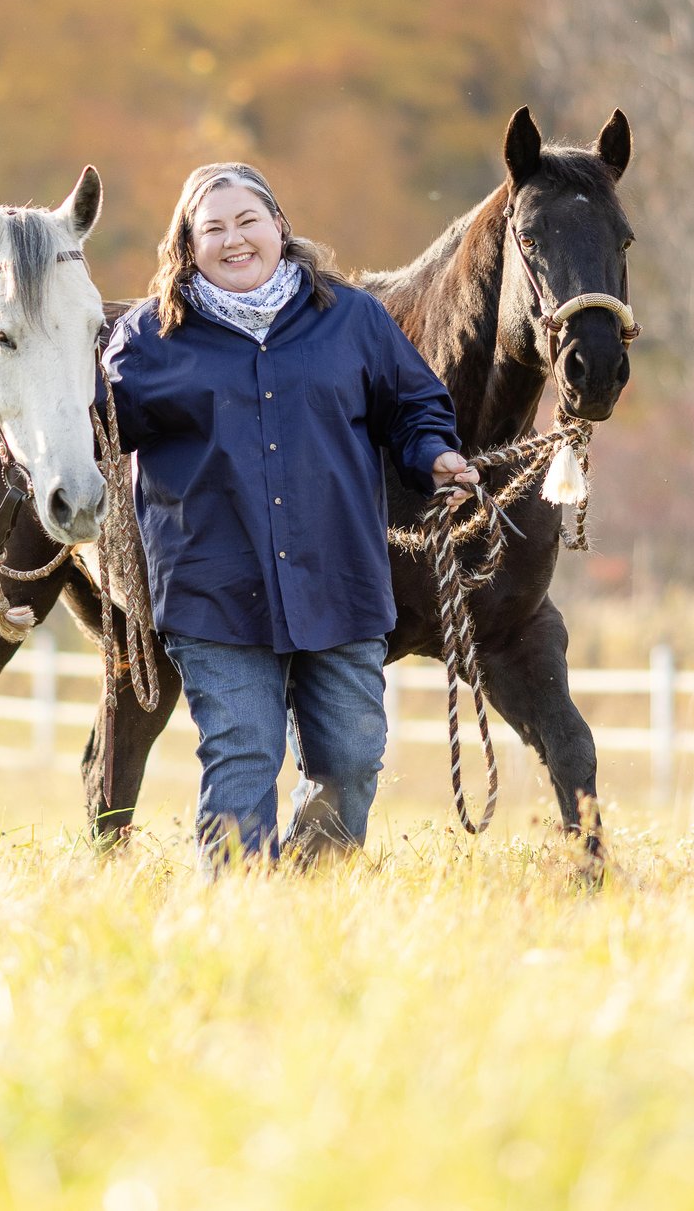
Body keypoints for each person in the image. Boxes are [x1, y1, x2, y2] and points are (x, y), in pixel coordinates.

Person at [102, 163, 477, 868]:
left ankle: (312, 899)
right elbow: (92, 435)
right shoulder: (148, 340)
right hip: (216, 592)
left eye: (248, 221)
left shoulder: (352, 318)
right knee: (243, 756)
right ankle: (239, 923)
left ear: (280, 225)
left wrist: (433, 456)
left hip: (338, 580)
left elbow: (416, 406)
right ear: (186, 245)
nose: (233, 239)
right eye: (212, 228)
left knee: (354, 759)